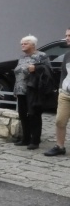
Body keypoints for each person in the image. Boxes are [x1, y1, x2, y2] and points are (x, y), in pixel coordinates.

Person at [12, 34, 51, 150]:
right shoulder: (22, 57)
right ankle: (26, 138)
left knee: (34, 114)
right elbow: (18, 74)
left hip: (33, 90)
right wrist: (15, 89)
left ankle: (35, 140)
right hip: (21, 90)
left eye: (26, 43)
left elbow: (48, 70)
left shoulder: (41, 56)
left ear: (33, 45)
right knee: (23, 115)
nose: (22, 45)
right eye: (22, 44)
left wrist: (36, 68)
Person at [44, 27, 70, 156]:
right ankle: (59, 146)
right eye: (66, 35)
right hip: (66, 94)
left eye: (69, 35)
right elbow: (64, 74)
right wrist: (61, 88)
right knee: (60, 120)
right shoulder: (67, 55)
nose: (66, 38)